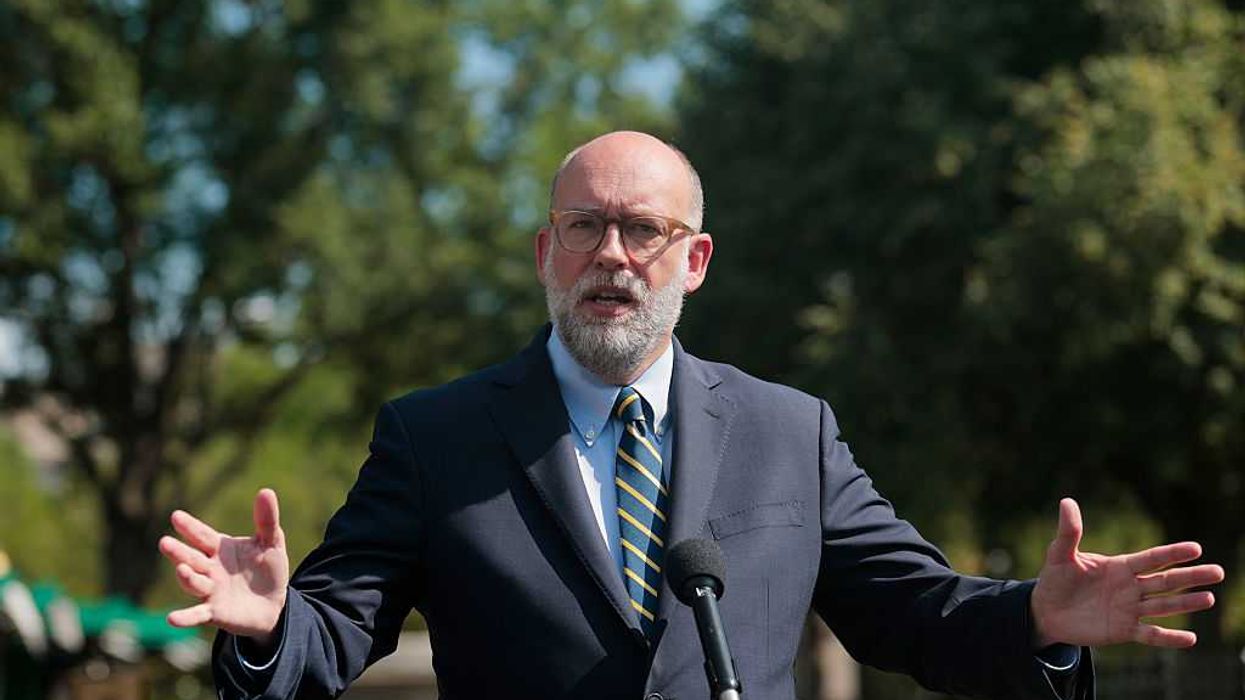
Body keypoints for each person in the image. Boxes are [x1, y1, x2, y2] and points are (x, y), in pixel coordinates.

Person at [160, 131, 1224, 700]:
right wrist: (269, 630)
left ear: (695, 260)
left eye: (642, 230)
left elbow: (917, 616)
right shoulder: (433, 436)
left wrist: (1036, 622)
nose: (612, 256)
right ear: (544, 254)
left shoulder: (790, 434)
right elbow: (333, 636)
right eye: (583, 227)